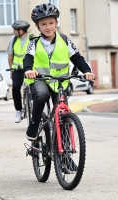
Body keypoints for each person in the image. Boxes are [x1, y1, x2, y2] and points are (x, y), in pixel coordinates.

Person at [23, 3, 96, 141]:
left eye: (51, 23)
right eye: (43, 24)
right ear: (38, 26)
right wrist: (28, 70)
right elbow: (28, 58)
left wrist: (87, 71)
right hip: (41, 80)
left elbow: (77, 58)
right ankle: (34, 124)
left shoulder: (64, 40)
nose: (48, 27)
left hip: (60, 81)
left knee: (63, 114)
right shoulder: (34, 42)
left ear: (56, 22)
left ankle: (66, 155)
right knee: (42, 94)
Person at [7, 20, 31, 123]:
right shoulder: (13, 40)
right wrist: (11, 69)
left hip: (29, 69)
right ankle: (18, 110)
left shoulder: (32, 39)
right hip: (17, 69)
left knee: (34, 88)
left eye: (15, 30)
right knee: (16, 88)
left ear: (21, 30)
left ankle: (34, 108)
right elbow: (10, 56)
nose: (13, 32)